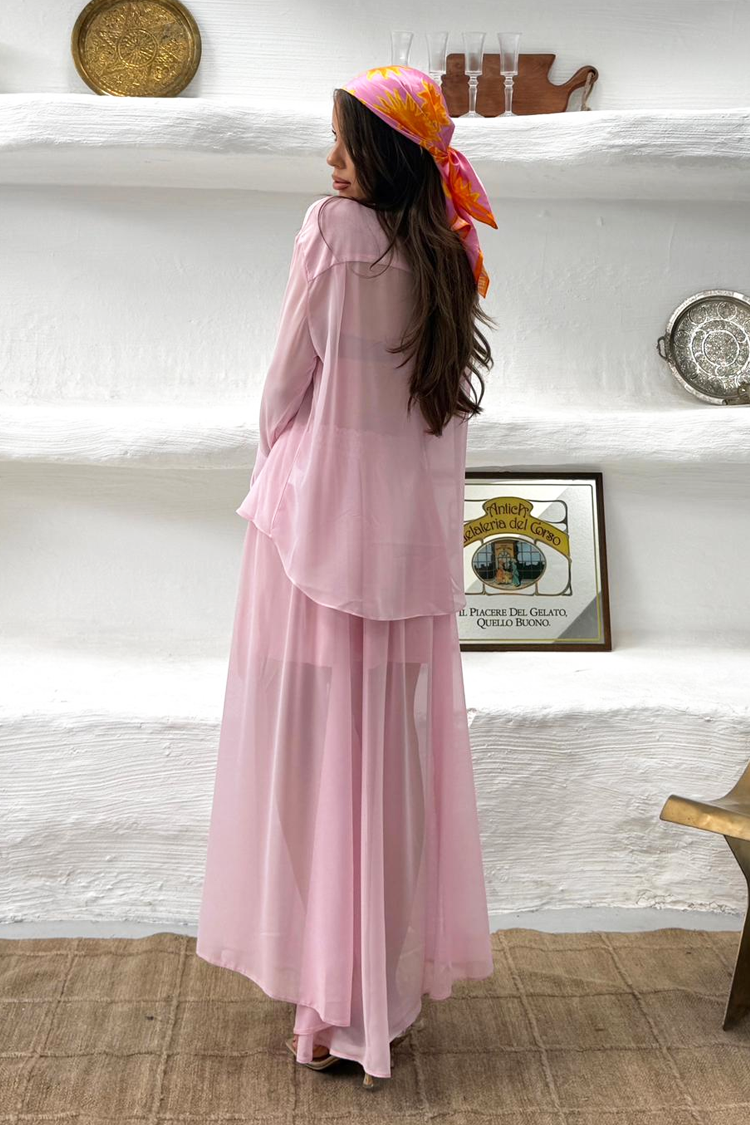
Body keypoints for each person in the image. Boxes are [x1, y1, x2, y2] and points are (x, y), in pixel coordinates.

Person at [196, 64, 499, 1089]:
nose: (331, 160)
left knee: (305, 762)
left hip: (315, 532)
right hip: (406, 545)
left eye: (345, 141)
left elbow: (285, 382)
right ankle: (380, 997)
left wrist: (279, 464)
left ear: (382, 153)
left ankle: (326, 1002)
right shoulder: (450, 251)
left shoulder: (332, 230)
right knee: (390, 767)